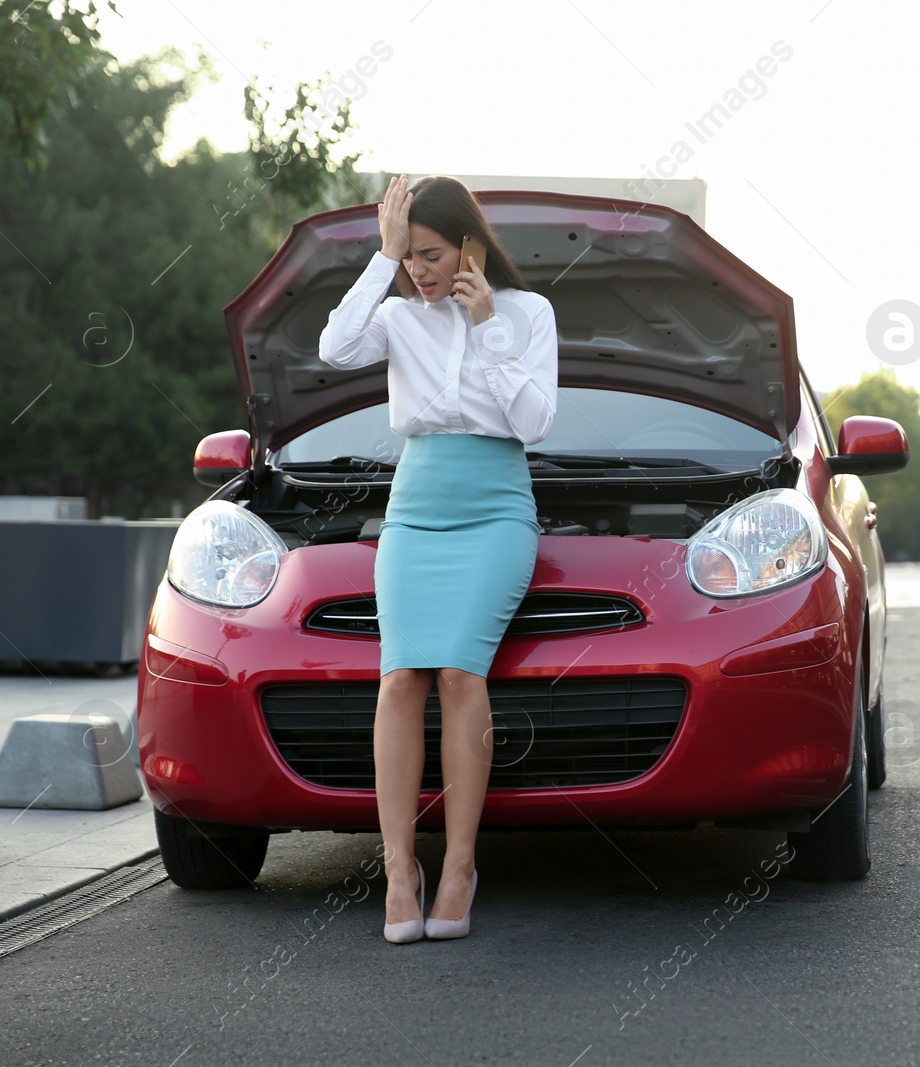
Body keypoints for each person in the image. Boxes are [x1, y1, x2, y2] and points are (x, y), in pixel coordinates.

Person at [318, 174, 558, 943]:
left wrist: (486, 323)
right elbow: (333, 348)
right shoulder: (394, 314)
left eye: (430, 253)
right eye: (409, 255)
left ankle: (458, 864)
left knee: (459, 673)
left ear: (470, 245)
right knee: (399, 677)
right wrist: (378, 258)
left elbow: (535, 422)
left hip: (495, 507)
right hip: (416, 509)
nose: (419, 269)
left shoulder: (529, 313)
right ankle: (398, 869)